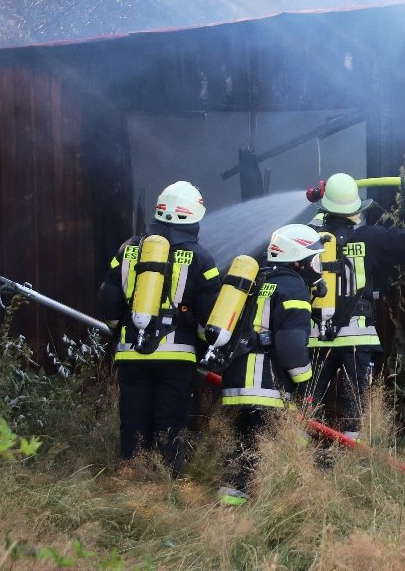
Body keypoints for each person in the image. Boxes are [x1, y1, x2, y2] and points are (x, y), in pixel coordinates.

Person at [97, 180, 221, 476]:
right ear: (195, 216)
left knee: (133, 417)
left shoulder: (128, 249)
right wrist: (204, 345)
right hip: (177, 356)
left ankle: (130, 474)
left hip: (131, 353)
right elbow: (211, 317)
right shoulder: (201, 259)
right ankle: (165, 480)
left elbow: (108, 304)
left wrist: (125, 331)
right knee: (171, 417)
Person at [306, 172, 405, 439]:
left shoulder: (310, 238)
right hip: (356, 337)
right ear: (356, 208)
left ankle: (296, 461)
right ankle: (354, 465)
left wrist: (321, 205)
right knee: (356, 412)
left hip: (317, 337)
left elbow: (315, 224)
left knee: (306, 407)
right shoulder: (371, 237)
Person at [208, 223, 322, 506]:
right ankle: (263, 498)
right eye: (314, 259)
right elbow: (291, 345)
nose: (317, 266)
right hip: (265, 382)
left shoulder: (259, 277)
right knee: (263, 439)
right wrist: (304, 379)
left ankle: (234, 496)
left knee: (245, 437)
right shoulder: (293, 287)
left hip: (237, 378)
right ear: (298, 259)